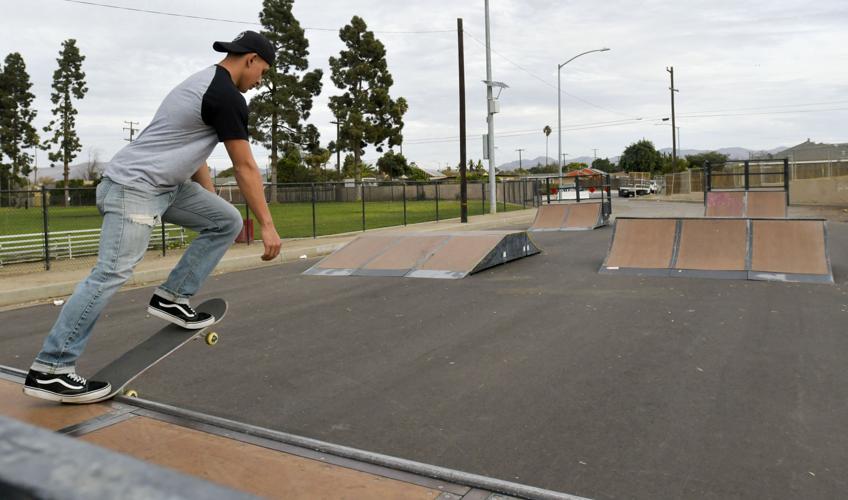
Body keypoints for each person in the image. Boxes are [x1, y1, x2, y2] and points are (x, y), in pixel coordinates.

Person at [23, 31, 282, 403]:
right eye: (263, 73)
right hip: (135, 188)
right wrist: (268, 227)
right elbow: (245, 167)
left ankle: (173, 297)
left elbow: (196, 152)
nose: (260, 82)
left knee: (225, 220)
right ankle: (51, 368)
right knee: (110, 273)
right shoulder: (225, 96)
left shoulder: (204, 83)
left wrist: (208, 203)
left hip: (166, 186)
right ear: (251, 59)